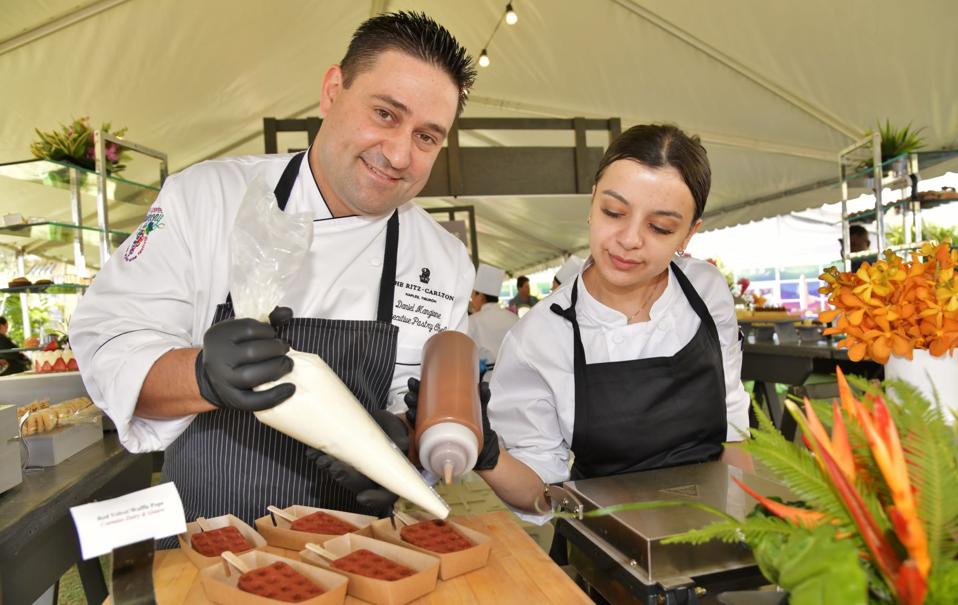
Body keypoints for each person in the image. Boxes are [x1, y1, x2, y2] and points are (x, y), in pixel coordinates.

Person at [69, 12, 477, 527]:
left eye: (427, 137)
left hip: (363, 554)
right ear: (332, 90)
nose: (398, 154)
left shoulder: (442, 262)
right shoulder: (206, 198)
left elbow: (422, 405)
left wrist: (400, 446)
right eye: (385, 114)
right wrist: (199, 375)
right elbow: (108, 341)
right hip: (204, 545)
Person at [457, 124, 750, 561]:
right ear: (593, 202)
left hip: (712, 539)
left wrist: (747, 534)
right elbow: (543, 494)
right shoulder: (542, 335)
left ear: (689, 234)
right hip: (608, 553)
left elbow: (733, 429)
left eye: (661, 227)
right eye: (614, 212)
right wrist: (486, 454)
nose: (630, 240)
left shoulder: (706, 292)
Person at [467, 264, 518, 380]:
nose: (472, 300)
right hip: (515, 380)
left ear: (481, 297)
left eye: (473, 295)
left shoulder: (473, 321)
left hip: (486, 384)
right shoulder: (514, 318)